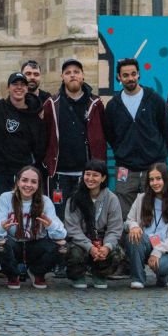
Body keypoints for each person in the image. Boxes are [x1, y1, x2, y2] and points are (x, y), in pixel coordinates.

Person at [103, 58, 168, 217]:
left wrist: (158, 153)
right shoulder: (113, 105)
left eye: (133, 74)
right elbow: (109, 134)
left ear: (139, 74)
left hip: (154, 166)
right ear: (119, 77)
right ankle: (130, 234)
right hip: (125, 167)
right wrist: (122, 150)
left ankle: (154, 235)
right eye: (125, 75)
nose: (130, 78)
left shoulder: (154, 99)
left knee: (157, 208)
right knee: (125, 212)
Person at [42, 58, 107, 220]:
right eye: (68, 72)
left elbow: (103, 134)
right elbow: (44, 136)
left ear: (83, 76)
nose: (72, 75)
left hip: (86, 174)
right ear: (62, 77)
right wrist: (47, 163)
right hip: (58, 173)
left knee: (87, 217)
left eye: (76, 72)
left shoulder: (96, 103)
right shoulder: (52, 104)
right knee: (58, 217)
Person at [0, 165, 66, 290]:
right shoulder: (6, 198)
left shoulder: (45, 201)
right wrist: (2, 228)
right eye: (24, 180)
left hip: (36, 245)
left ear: (38, 185)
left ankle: (37, 273)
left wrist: (51, 226)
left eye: (33, 182)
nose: (28, 185)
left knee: (62, 247)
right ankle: (13, 275)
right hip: (14, 244)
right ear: (18, 181)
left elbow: (62, 234)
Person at [0, 72, 45, 207]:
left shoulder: (36, 114)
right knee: (1, 212)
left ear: (27, 88)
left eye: (22, 85)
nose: (19, 87)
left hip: (26, 173)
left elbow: (40, 144)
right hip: (1, 174)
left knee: (27, 211)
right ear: (8, 88)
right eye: (15, 84)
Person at [123, 163, 168, 289]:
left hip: (166, 248)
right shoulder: (141, 199)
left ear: (166, 180)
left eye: (158, 179)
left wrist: (157, 251)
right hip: (145, 243)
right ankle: (138, 278)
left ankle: (164, 276)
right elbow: (128, 221)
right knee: (133, 237)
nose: (154, 183)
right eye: (151, 179)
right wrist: (134, 226)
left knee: (162, 267)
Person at [63, 159, 125, 289]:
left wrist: (106, 247)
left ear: (103, 178)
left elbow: (115, 229)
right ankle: (77, 275)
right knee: (73, 252)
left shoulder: (112, 199)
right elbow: (72, 229)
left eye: (95, 175)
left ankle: (100, 274)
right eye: (87, 174)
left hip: (102, 239)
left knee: (115, 253)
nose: (90, 178)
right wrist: (90, 247)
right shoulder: (74, 198)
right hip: (80, 241)